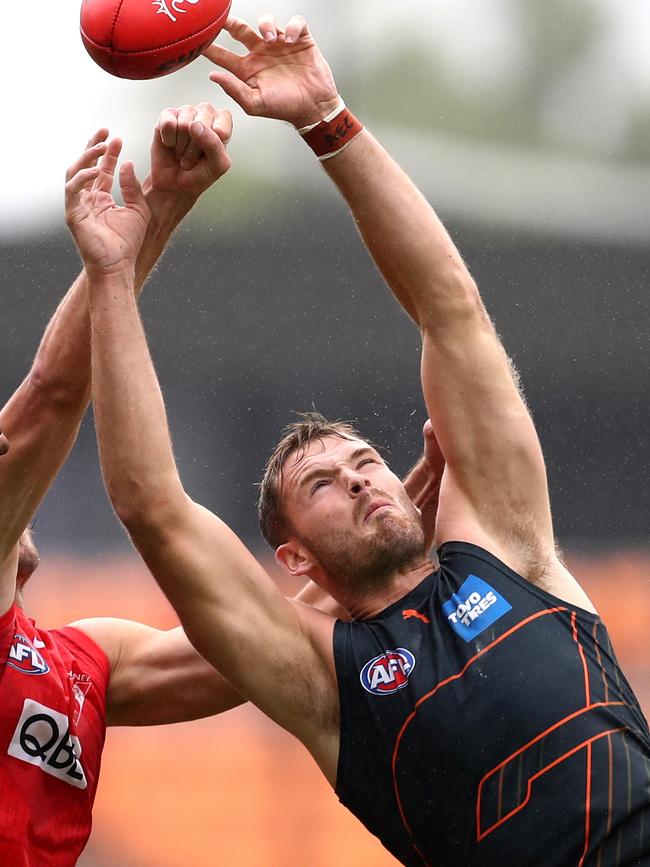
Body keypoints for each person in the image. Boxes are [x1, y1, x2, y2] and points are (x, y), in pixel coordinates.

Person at [80, 13, 650, 867]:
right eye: (322, 485)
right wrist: (113, 278)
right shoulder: (323, 682)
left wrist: (325, 118)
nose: (358, 480)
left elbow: (451, 310)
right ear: (297, 560)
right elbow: (152, 507)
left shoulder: (506, 545)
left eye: (365, 461)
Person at [0, 104, 248, 867]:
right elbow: (49, 397)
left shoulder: (74, 661)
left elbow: (245, 653)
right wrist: (162, 209)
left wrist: (393, 551)